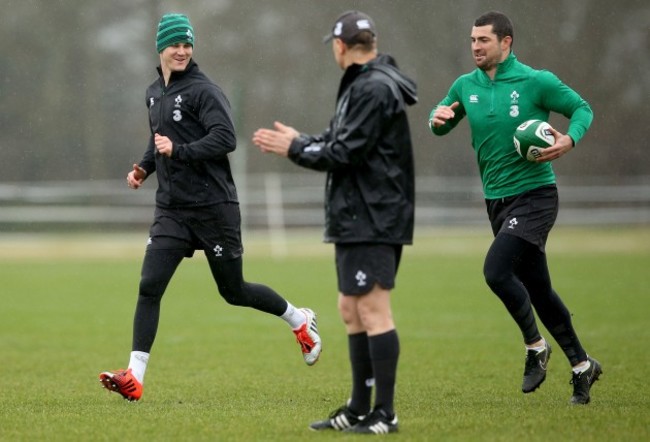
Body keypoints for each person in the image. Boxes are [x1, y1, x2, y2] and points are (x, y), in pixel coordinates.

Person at [98, 13, 322, 402]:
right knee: (149, 286)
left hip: (214, 207)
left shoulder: (205, 91)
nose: (182, 50)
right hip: (172, 210)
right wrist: (144, 169)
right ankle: (134, 376)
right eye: (175, 44)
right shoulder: (153, 92)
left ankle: (300, 321)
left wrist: (179, 151)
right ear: (161, 48)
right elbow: (159, 141)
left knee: (233, 291)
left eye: (187, 44)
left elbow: (226, 138)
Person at [253, 10, 416, 434]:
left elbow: (343, 154)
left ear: (340, 47)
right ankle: (359, 407)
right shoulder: (363, 85)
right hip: (357, 214)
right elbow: (336, 140)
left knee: (373, 309)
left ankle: (385, 412)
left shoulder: (373, 88)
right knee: (350, 309)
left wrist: (294, 149)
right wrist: (301, 141)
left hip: (373, 215)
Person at [429, 11, 602, 405]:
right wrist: (436, 119)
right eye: (472, 40)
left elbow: (583, 109)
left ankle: (535, 346)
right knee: (539, 290)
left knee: (495, 271)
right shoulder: (464, 85)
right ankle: (582, 366)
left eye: (484, 40)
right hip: (497, 201)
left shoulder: (536, 81)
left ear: (506, 43)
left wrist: (569, 140)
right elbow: (441, 121)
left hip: (536, 195)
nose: (475, 46)